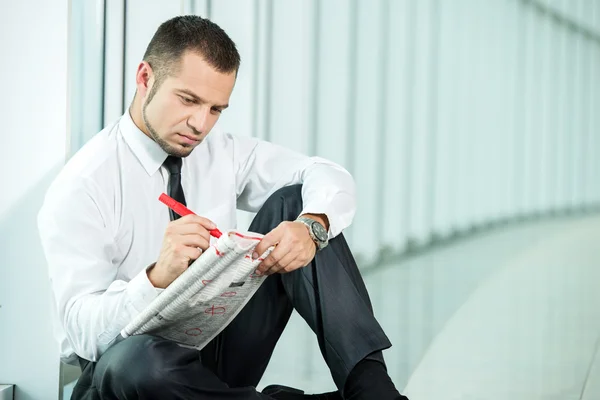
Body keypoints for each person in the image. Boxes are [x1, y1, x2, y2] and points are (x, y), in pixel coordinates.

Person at [38, 15, 408, 400]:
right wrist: (156, 278)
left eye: (216, 109)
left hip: (216, 346)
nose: (200, 124)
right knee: (136, 362)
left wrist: (312, 226)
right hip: (135, 376)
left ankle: (374, 392)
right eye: (188, 100)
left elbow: (325, 174)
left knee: (297, 203)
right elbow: (81, 334)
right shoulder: (85, 183)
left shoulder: (221, 152)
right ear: (145, 78)